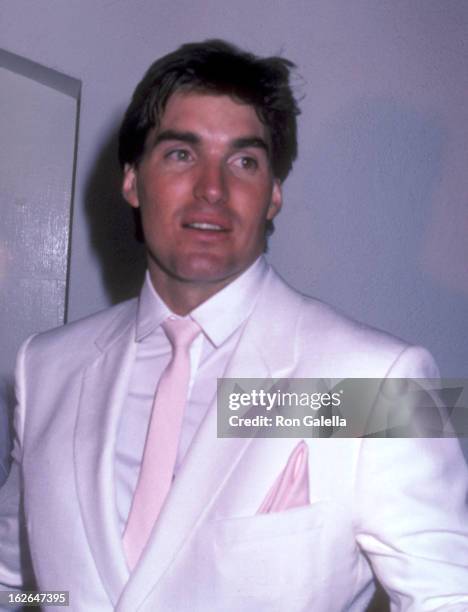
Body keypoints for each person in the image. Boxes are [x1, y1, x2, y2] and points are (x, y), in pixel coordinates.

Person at [0, 39, 467, 612]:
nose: (213, 189)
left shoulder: (388, 379)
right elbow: (22, 582)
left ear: (273, 196)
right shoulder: (44, 366)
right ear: (131, 181)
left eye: (243, 161)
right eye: (181, 154)